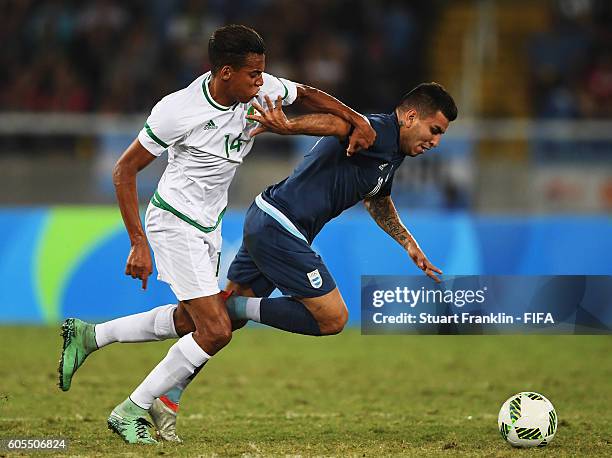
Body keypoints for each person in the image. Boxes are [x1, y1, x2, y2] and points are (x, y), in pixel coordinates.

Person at [57, 24, 376, 445]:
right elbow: (124, 170)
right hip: (174, 222)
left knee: (193, 321)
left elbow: (307, 93)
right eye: (253, 75)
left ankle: (89, 335)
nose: (262, 82)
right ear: (225, 72)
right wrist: (138, 242)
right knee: (216, 330)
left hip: (208, 225)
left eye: (263, 74)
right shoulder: (177, 110)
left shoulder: (257, 91)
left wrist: (355, 119)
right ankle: (130, 409)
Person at [152, 82, 458, 440]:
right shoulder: (375, 130)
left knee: (216, 325)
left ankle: (163, 392)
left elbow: (377, 198)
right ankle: (235, 309)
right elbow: (336, 124)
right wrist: (288, 126)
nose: (435, 142)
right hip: (282, 226)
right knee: (332, 318)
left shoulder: (391, 153)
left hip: (266, 217)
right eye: (434, 130)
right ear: (410, 116)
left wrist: (408, 243)